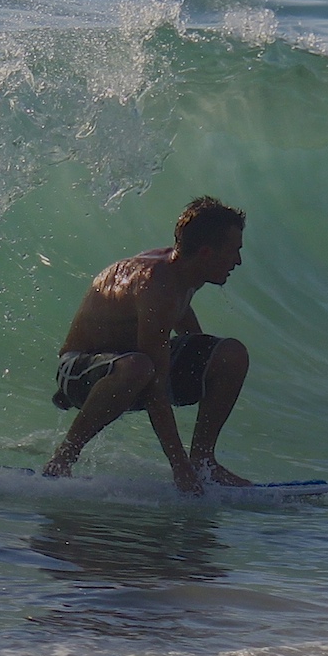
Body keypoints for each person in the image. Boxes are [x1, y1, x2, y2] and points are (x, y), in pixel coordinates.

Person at [44, 196, 252, 494]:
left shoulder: (186, 270)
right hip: (80, 372)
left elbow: (182, 314)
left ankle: (204, 462)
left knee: (230, 354)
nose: (238, 261)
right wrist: (178, 469)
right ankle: (62, 459)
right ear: (206, 253)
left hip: (128, 365)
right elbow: (156, 386)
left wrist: (205, 359)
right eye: (234, 251)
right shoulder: (156, 284)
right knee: (142, 367)